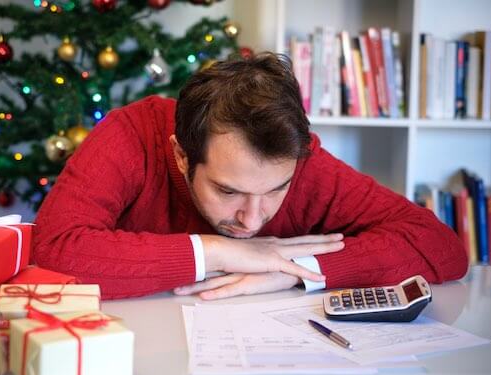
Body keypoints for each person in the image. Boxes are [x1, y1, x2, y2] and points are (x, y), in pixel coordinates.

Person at [32, 52, 468, 300]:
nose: (252, 221)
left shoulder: (304, 160)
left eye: (277, 189)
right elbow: (52, 249)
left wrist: (296, 269)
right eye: (228, 190)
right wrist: (218, 252)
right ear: (181, 156)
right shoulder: (131, 134)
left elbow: (442, 248)